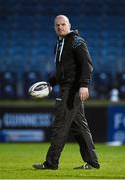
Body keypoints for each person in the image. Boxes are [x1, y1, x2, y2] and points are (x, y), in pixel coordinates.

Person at [33, 15, 100, 170]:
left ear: (69, 25)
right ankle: (92, 162)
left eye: (63, 24)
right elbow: (61, 71)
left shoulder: (77, 42)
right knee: (79, 128)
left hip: (73, 89)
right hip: (66, 88)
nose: (60, 27)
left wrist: (84, 85)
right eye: (57, 25)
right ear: (54, 27)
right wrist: (50, 82)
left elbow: (87, 65)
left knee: (60, 125)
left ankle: (51, 163)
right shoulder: (58, 44)